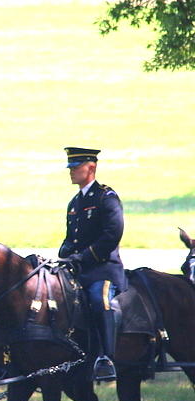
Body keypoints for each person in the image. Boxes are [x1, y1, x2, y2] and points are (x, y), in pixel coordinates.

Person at [58, 147, 127, 381]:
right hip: (78, 270)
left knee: (100, 300)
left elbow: (112, 235)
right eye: (71, 168)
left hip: (103, 270)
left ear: (91, 167)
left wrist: (82, 258)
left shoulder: (106, 197)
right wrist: (62, 256)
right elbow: (71, 238)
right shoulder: (75, 203)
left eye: (76, 168)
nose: (71, 172)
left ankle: (106, 359)